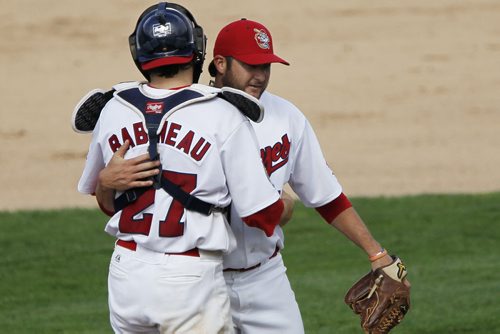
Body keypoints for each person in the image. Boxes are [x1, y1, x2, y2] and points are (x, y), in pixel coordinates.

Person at [75, 18, 409, 334]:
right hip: (202, 276)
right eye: (251, 65)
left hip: (264, 278)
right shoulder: (196, 116)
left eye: (266, 66)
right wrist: (105, 182)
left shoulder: (287, 117)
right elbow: (132, 200)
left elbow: (326, 196)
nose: (261, 76)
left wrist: (377, 254)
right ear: (219, 63)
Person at [77, 5, 286, 334]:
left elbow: (107, 204)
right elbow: (262, 214)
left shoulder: (113, 108)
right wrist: (284, 204)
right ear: (196, 51)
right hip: (189, 280)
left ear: (139, 54)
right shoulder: (222, 111)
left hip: (126, 274)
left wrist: (105, 181)